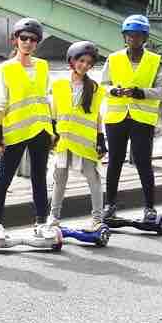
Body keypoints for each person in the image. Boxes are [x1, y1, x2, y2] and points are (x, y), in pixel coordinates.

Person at [0, 18, 55, 239]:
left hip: (41, 130)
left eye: (33, 39)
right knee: (4, 178)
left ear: (37, 43)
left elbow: (45, 98)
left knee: (39, 178)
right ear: (15, 40)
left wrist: (53, 127)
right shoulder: (4, 69)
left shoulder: (43, 66)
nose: (28, 42)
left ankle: (41, 222)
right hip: (14, 131)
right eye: (23, 38)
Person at [102, 15, 162, 223]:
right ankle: (110, 205)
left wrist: (142, 93)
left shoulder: (155, 61)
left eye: (138, 36)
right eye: (129, 35)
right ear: (124, 37)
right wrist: (114, 90)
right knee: (114, 162)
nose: (133, 39)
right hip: (116, 118)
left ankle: (149, 207)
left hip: (142, 119)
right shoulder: (113, 59)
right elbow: (103, 85)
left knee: (143, 162)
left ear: (145, 37)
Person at [48, 41, 107, 231]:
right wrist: (51, 135)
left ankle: (98, 219)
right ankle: (53, 218)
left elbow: (97, 115)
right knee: (59, 179)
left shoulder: (96, 88)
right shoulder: (57, 85)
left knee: (94, 178)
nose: (85, 66)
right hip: (63, 140)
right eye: (81, 61)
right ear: (72, 61)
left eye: (89, 63)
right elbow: (53, 113)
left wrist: (100, 139)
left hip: (85, 141)